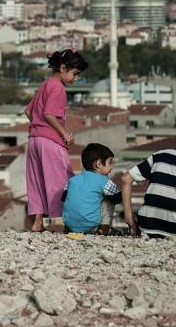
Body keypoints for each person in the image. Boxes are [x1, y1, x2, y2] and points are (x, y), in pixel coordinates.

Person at [24, 48, 88, 232]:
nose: (75, 79)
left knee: (36, 181)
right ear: (63, 68)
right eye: (75, 74)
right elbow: (50, 114)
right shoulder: (58, 88)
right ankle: (66, 223)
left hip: (34, 140)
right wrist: (64, 133)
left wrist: (39, 127)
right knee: (61, 181)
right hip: (50, 142)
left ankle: (37, 223)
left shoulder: (46, 84)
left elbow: (28, 111)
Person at [62, 143, 123, 234]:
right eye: (109, 163)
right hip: (91, 225)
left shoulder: (72, 180)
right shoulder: (104, 181)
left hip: (71, 226)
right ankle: (103, 227)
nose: (111, 167)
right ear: (98, 164)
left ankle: (70, 228)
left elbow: (64, 199)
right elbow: (118, 199)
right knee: (109, 200)